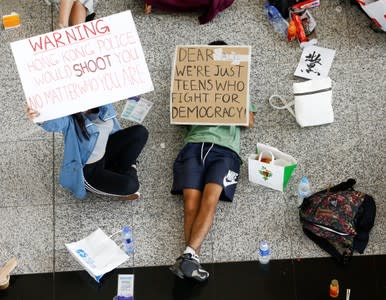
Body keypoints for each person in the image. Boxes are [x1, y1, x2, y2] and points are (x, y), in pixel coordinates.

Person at [169, 40, 256, 282]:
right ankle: (190, 260)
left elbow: (248, 121)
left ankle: (188, 256)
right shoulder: (193, 85)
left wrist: (228, 103)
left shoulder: (239, 86)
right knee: (189, 204)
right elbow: (181, 119)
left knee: (210, 200)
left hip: (225, 151)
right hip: (193, 147)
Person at [26, 104, 148, 200]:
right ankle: (127, 168)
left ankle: (120, 171)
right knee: (131, 186)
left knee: (140, 132)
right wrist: (40, 117)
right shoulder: (69, 119)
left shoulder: (102, 103)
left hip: (105, 149)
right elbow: (54, 124)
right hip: (90, 171)